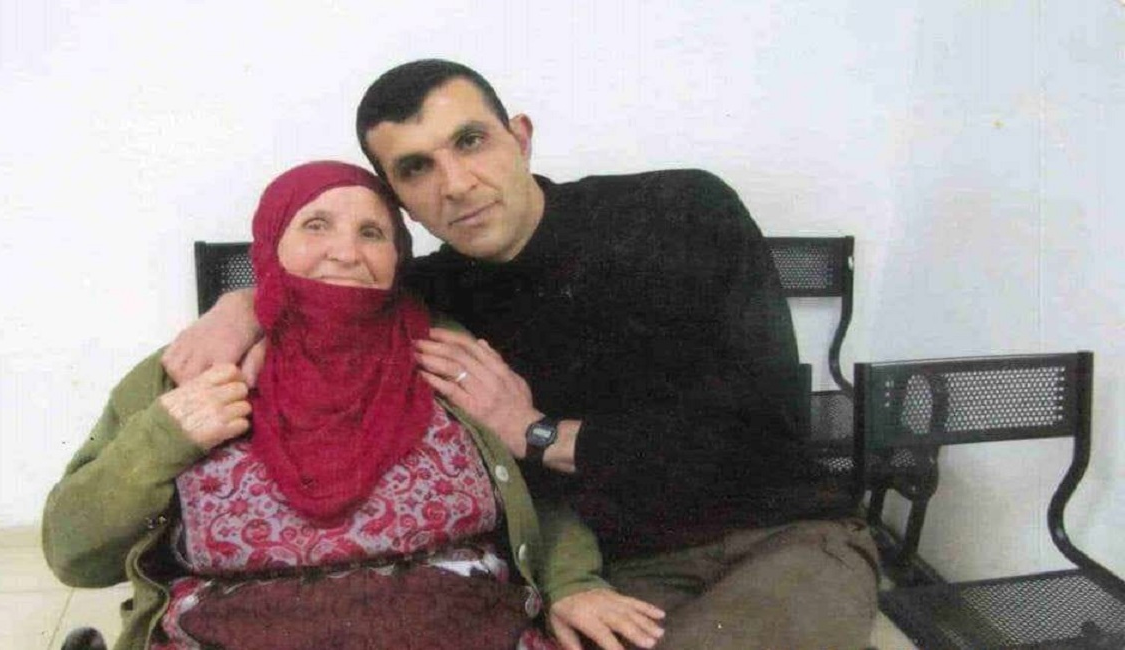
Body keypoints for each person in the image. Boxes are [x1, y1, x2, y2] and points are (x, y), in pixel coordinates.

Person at [165, 60, 880, 649]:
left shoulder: (681, 211)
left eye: (470, 141)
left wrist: (540, 433)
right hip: (610, 574)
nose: (455, 184)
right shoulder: (432, 299)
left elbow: (767, 433)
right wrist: (243, 307)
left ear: (521, 138)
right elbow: (328, 292)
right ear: (401, 202)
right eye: (416, 168)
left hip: (780, 536)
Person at [43, 161, 664, 650]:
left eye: (372, 233)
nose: (346, 253)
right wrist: (161, 439)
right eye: (316, 226)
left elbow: (536, 498)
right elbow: (74, 557)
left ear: (398, 259)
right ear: (271, 245)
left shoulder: (451, 357)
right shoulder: (187, 371)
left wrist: (572, 584)